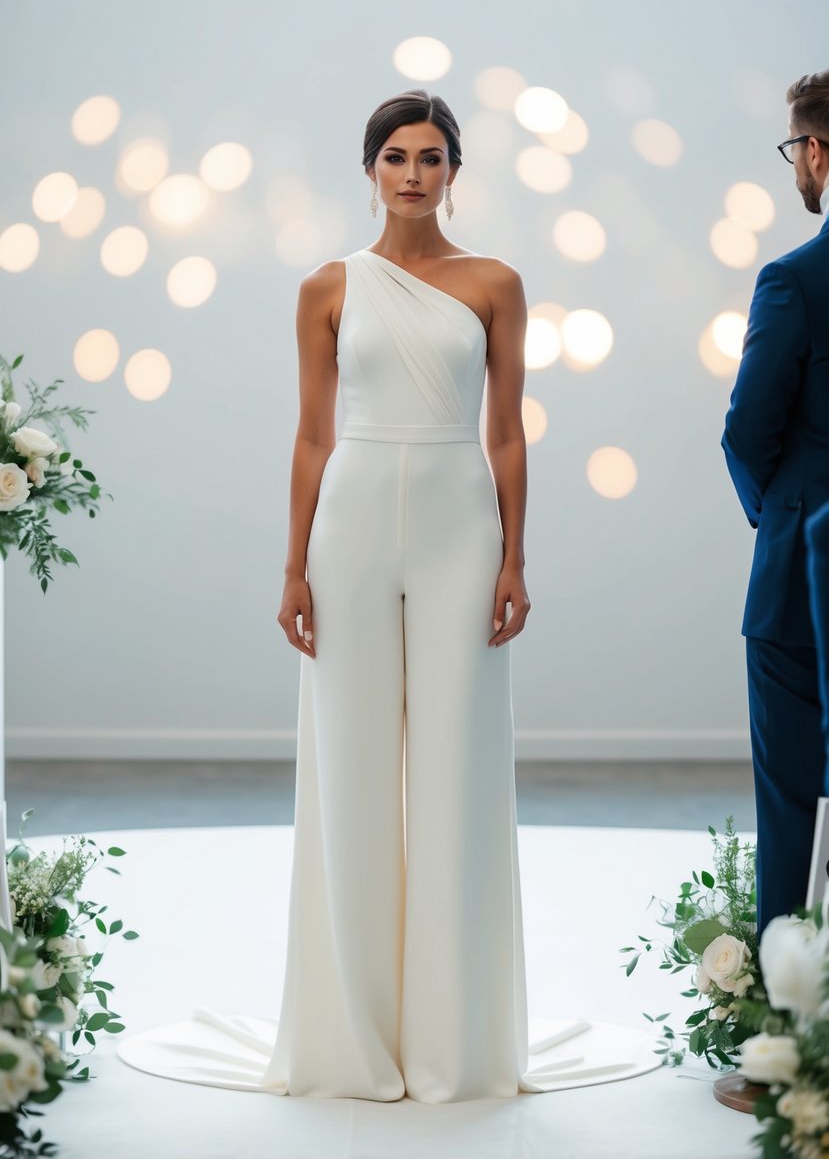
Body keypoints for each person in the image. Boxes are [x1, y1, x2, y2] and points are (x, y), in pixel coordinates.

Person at [116, 88, 658, 1102]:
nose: (414, 172)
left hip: (462, 519)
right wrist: (290, 567)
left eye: (433, 156)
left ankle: (457, 1038)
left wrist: (515, 558)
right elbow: (313, 435)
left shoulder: (495, 282)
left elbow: (505, 431)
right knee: (351, 767)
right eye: (397, 156)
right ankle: (349, 1035)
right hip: (351, 524)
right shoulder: (327, 287)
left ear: (456, 172)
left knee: (457, 767)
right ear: (368, 169)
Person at [722, 68, 829, 936]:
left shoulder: (794, 280)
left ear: (816, 151)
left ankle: (791, 1033)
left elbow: (745, 434)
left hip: (800, 584)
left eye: (795, 148)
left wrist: (784, 516)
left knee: (793, 802)